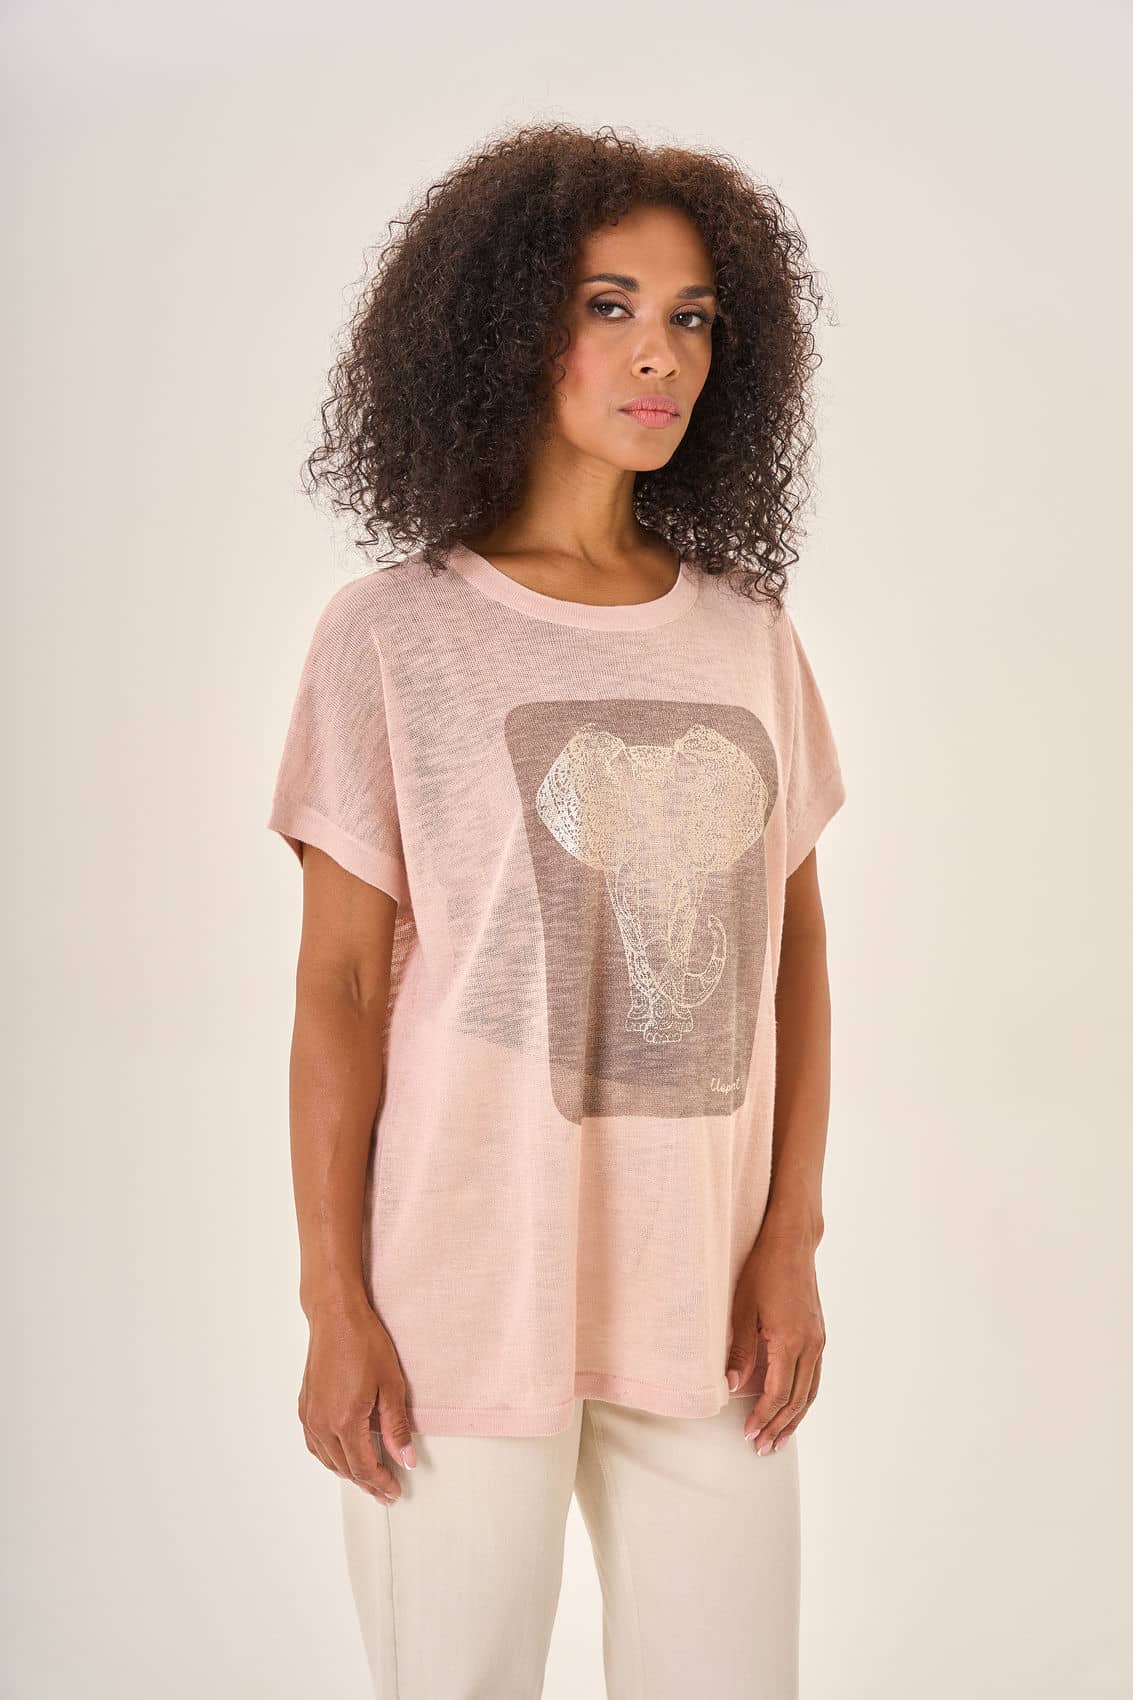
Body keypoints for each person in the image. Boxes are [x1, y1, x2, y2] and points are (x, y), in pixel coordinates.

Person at [267, 120, 847, 1700]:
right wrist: (333, 1302)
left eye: (691, 316)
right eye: (608, 306)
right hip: (457, 1301)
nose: (660, 354)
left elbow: (791, 951)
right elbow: (338, 990)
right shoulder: (392, 635)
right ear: (502, 327)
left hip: (706, 1305)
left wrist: (789, 1242)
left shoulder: (745, 635)